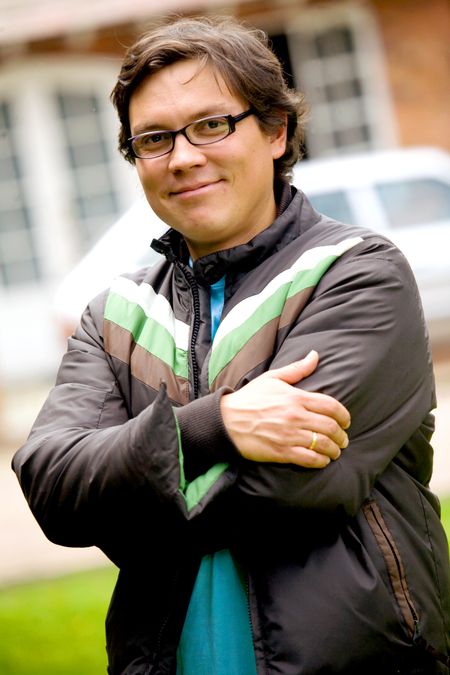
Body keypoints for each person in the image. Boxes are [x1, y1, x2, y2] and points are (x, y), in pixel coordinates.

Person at [12, 15, 449, 675]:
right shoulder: (114, 317)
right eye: (154, 139)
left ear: (276, 130)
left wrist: (120, 490)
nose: (183, 156)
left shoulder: (357, 272)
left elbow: (295, 486)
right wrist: (216, 426)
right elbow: (52, 485)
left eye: (212, 124)